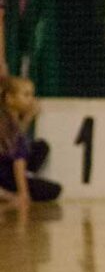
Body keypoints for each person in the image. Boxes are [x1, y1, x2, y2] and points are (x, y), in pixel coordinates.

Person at [0, 76, 61, 205]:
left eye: (32, 95)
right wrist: (23, 193)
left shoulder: (11, 121)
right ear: (10, 98)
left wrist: (28, 117)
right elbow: (18, 159)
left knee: (40, 147)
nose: (31, 100)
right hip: (5, 174)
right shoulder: (6, 124)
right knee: (53, 190)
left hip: (6, 170)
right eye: (26, 95)